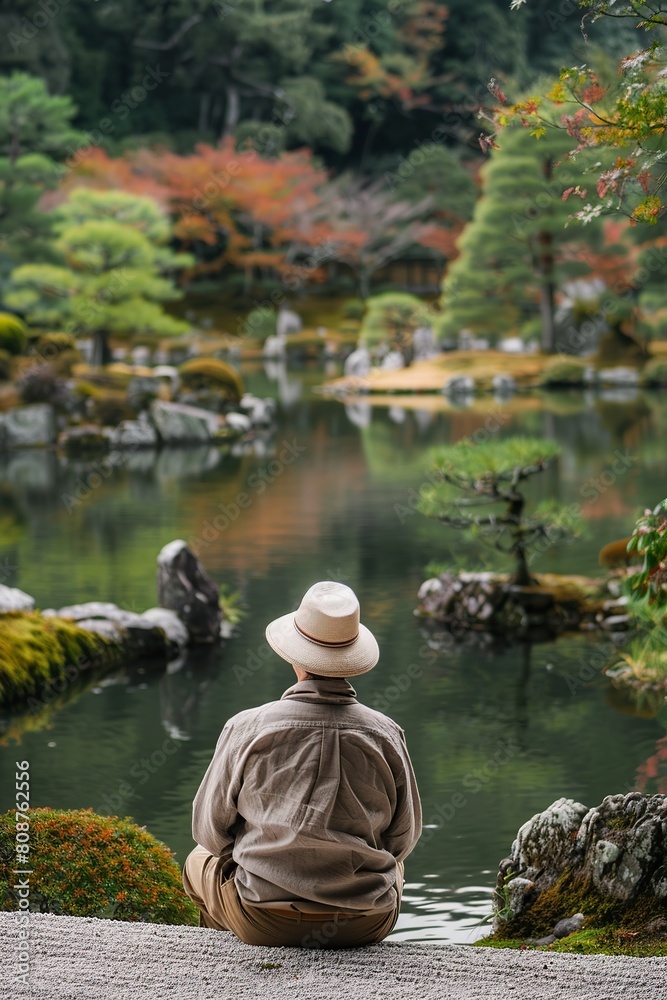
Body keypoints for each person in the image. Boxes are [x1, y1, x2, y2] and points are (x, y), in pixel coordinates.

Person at [182, 581, 422, 948]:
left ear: (295, 656)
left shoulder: (247, 727)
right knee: (395, 866)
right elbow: (402, 840)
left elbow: (209, 832)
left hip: (263, 919)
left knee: (197, 861)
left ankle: (225, 968)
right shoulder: (386, 733)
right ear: (352, 659)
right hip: (365, 922)